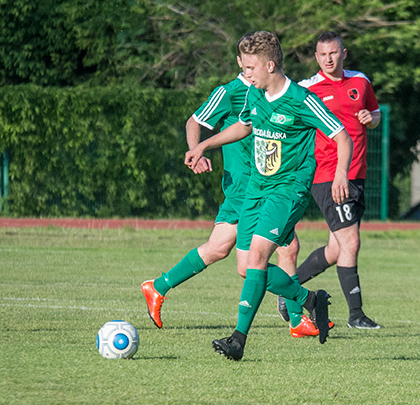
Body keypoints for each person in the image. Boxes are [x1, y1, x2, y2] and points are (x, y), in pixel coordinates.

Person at [185, 31, 354, 361]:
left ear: (270, 65)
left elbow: (342, 136)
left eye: (250, 67)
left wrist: (340, 174)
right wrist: (205, 144)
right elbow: (244, 126)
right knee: (247, 268)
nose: (245, 73)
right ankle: (310, 300)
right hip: (256, 190)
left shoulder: (302, 100)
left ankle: (238, 340)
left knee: (259, 257)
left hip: (288, 190)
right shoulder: (255, 95)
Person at [140, 34, 254, 330]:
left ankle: (159, 286)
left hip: (259, 186)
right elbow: (195, 121)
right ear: (240, 62)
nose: (252, 68)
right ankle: (299, 314)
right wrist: (196, 151)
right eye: (247, 62)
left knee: (217, 248)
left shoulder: (271, 91)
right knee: (285, 246)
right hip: (243, 188)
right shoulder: (229, 92)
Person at [275, 31, 383, 331]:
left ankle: (289, 290)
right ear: (316, 57)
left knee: (336, 250)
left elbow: (376, 115)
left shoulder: (360, 81)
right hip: (329, 176)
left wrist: (369, 119)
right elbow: (287, 122)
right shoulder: (307, 88)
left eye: (334, 53)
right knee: (351, 241)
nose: (329, 59)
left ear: (343, 53)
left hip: (356, 174)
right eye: (323, 55)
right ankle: (356, 315)